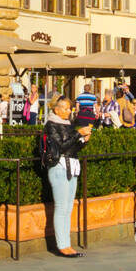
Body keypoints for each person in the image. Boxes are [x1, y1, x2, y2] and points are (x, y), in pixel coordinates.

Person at [44, 93, 92, 257]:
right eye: (64, 108)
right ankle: (62, 245)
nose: (68, 111)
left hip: (72, 165)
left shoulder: (68, 124)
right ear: (56, 110)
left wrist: (83, 141)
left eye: (69, 108)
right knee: (61, 207)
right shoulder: (51, 125)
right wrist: (78, 134)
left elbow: (72, 148)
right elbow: (60, 147)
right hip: (59, 167)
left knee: (68, 207)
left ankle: (66, 243)